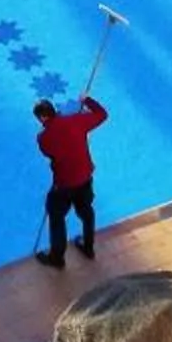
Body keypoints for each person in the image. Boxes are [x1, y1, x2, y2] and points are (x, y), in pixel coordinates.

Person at [32, 94, 108, 268]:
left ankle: (57, 258)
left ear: (43, 117)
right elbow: (102, 114)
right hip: (85, 177)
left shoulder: (43, 138)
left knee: (56, 216)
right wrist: (87, 100)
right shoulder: (77, 121)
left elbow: (49, 153)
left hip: (64, 183)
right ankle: (88, 247)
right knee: (86, 212)